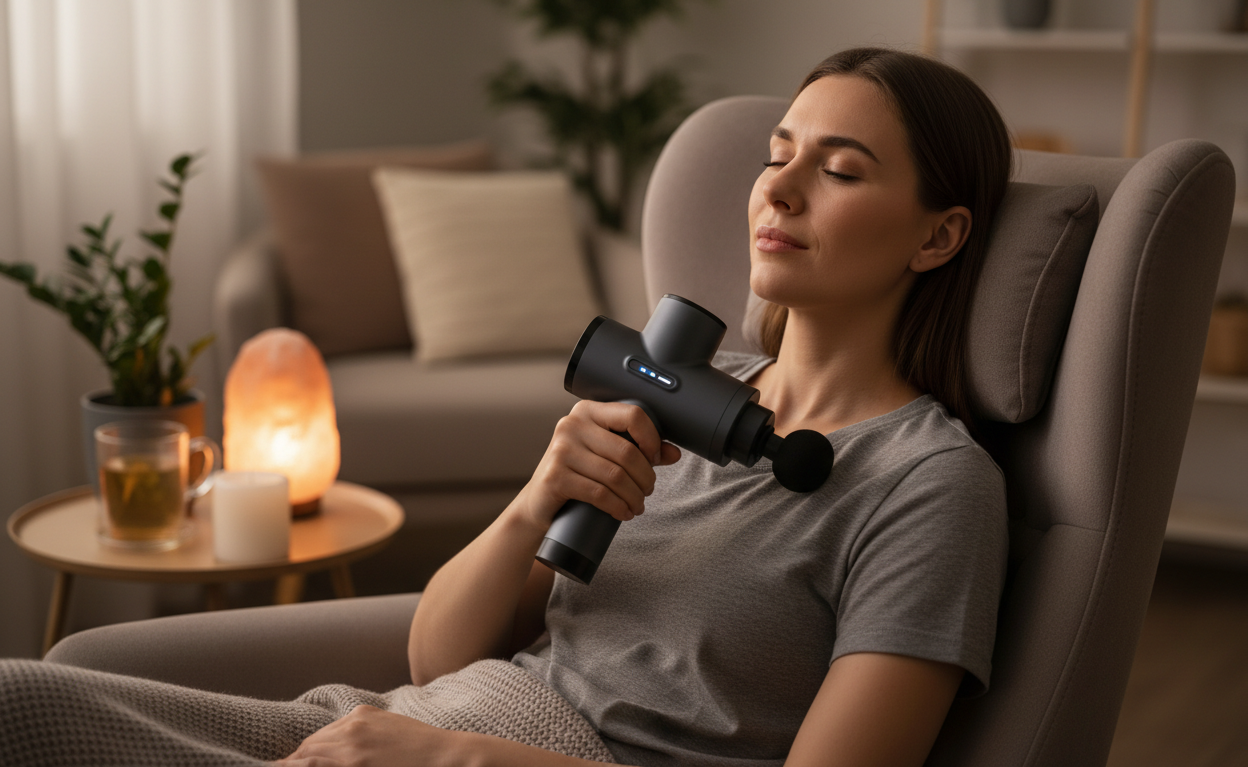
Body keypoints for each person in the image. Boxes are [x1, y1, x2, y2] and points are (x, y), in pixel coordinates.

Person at [0, 47, 1010, 767]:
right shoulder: (688, 394)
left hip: (500, 755)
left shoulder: (928, 484)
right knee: (19, 705)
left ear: (936, 237)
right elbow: (437, 653)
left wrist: (457, 759)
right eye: (777, 154)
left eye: (838, 170)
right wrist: (538, 499)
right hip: (408, 717)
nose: (779, 190)